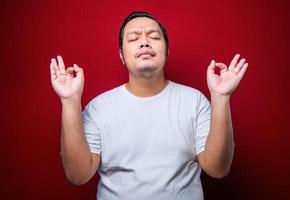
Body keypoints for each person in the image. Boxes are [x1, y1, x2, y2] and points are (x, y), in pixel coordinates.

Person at [50, 11, 248, 200]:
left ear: (167, 51)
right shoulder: (98, 109)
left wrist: (221, 97)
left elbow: (218, 169)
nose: (144, 42)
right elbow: (78, 175)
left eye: (153, 36)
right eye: (134, 38)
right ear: (121, 55)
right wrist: (70, 101)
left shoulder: (194, 101)